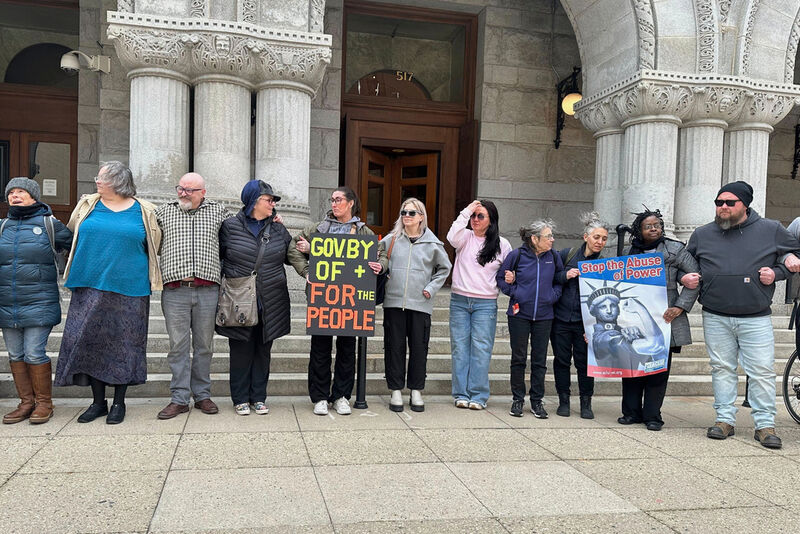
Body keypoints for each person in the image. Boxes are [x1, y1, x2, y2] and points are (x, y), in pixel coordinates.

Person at [686, 180, 800, 449]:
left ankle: (765, 425)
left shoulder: (771, 229)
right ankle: (724, 420)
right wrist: (685, 277)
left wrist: (779, 271)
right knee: (721, 368)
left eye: (729, 202)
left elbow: (793, 254)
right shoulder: (702, 234)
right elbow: (686, 262)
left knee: (760, 371)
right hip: (715, 315)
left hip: (756, 316)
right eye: (718, 202)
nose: (723, 207)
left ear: (745, 205)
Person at [54, 161, 162, 424]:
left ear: (117, 181)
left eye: (101, 178)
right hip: (88, 283)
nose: (97, 181)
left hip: (130, 288)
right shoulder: (87, 205)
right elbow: (69, 236)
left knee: (124, 345)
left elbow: (156, 246)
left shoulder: (145, 210)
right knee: (91, 343)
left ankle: (118, 403)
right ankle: (98, 402)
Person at [287, 186, 386, 416]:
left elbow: (381, 255)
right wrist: (307, 271)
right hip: (323, 298)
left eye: (339, 200)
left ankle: (341, 395)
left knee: (347, 349)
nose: (334, 203)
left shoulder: (365, 233)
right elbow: (293, 247)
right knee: (320, 348)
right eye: (332, 200)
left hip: (351, 301)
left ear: (351, 203)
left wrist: (381, 266)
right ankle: (320, 397)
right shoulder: (317, 228)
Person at [154, 172, 233, 419]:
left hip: (209, 290)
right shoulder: (162, 212)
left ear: (202, 192)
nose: (183, 193)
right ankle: (179, 398)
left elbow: (242, 230)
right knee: (177, 346)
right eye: (180, 188)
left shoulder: (219, 212)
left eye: (189, 190)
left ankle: (202, 395)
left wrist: (273, 218)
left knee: (204, 346)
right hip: (175, 290)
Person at [216, 180, 298, 416]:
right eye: (268, 200)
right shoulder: (230, 227)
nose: (273, 204)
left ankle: (258, 397)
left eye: (273, 200)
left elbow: (291, 256)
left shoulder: (279, 229)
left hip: (270, 300)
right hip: (239, 299)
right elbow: (218, 258)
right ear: (253, 201)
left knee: (263, 350)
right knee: (240, 349)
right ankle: (240, 398)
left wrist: (307, 250)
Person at [618, 207, 700, 431]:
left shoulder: (676, 249)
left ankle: (653, 415)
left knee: (658, 370)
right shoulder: (626, 253)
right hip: (634, 321)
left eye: (657, 225)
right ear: (639, 230)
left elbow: (695, 280)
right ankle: (631, 412)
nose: (654, 228)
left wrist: (680, 307)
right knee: (632, 368)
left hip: (665, 320)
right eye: (648, 226)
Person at [1, 177, 72, 424]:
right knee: (15, 353)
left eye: (21, 191)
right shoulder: (2, 226)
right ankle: (25, 403)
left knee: (33, 353)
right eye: (11, 192)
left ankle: (44, 404)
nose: (15, 196)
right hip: (7, 303)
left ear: (34, 196)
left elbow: (77, 248)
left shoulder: (49, 224)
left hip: (40, 301)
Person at [381, 198, 451, 412]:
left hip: (421, 304)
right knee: (394, 347)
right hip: (393, 302)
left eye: (411, 213)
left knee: (419, 349)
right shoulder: (390, 240)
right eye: (404, 212)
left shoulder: (433, 244)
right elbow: (376, 256)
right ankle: (395, 391)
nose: (406, 216)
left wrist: (431, 288)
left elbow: (444, 268)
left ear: (421, 216)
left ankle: (416, 391)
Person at [447, 199, 511, 410]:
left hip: (485, 303)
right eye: (473, 216)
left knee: (482, 348)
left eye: (480, 216)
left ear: (491, 220)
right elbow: (451, 236)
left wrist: (510, 278)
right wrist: (466, 210)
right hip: (459, 301)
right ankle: (461, 393)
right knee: (459, 348)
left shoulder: (502, 244)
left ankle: (479, 395)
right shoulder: (464, 237)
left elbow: (508, 271)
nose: (475, 219)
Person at [497, 219, 563, 418]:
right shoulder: (516, 255)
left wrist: (553, 296)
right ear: (534, 239)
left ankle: (537, 401)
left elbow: (560, 279)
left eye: (552, 236)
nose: (552, 239)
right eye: (548, 236)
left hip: (544, 315)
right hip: (519, 314)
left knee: (539, 360)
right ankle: (518, 399)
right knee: (518, 358)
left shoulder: (554, 257)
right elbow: (501, 278)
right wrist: (515, 292)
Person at [551, 212, 608, 419]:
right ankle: (563, 401)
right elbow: (552, 277)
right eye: (596, 237)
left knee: (585, 364)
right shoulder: (567, 254)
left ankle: (586, 403)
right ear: (586, 237)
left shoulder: (605, 264)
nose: (600, 242)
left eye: (603, 239)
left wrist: (597, 325)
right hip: (561, 319)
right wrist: (566, 275)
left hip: (587, 324)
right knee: (562, 361)